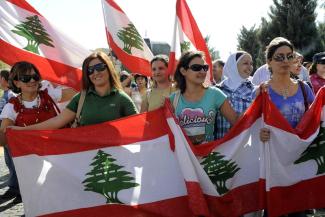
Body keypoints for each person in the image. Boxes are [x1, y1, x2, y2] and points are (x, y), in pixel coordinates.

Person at [9, 51, 137, 130]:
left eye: (100, 67)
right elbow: (57, 122)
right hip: (86, 161)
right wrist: (22, 130)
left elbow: (138, 127)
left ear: (109, 69)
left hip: (116, 162)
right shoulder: (81, 98)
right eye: (90, 70)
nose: (95, 72)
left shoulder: (122, 99)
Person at [259, 37, 314, 217]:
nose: (285, 61)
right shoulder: (261, 91)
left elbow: (315, 121)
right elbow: (250, 127)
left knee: (300, 213)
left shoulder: (305, 89)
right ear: (269, 62)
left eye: (289, 56)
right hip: (273, 165)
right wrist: (259, 133)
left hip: (300, 162)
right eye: (279, 57)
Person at [0, 62, 71, 202]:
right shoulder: (11, 107)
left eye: (35, 76)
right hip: (32, 163)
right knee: (38, 198)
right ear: (16, 82)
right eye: (26, 78)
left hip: (59, 157)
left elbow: (77, 95)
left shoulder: (49, 94)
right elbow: (4, 138)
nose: (32, 80)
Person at [170, 51, 238, 146]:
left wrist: (257, 99)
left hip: (209, 158)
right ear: (183, 71)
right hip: (182, 159)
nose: (202, 72)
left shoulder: (215, 94)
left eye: (205, 68)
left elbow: (237, 122)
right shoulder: (172, 99)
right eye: (196, 68)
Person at [214, 51, 254, 139]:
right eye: (245, 63)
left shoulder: (254, 90)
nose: (249, 67)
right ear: (233, 66)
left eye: (251, 64)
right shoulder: (217, 89)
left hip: (245, 147)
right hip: (221, 148)